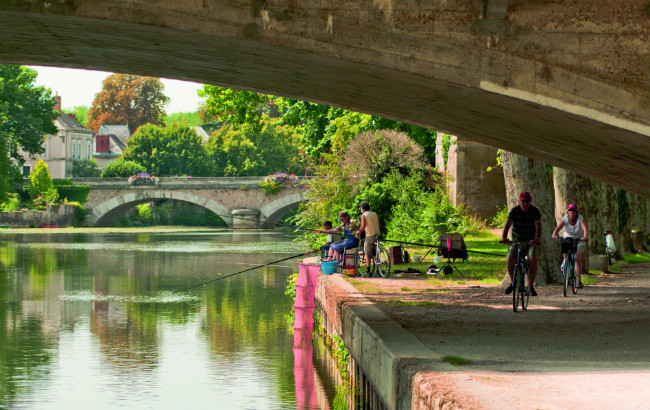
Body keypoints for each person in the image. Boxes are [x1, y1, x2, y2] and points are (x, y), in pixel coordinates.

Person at [501, 191, 542, 296]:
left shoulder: (535, 211)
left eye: (527, 201)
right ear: (519, 201)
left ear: (530, 202)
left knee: (532, 258)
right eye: (523, 201)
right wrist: (504, 237)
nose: (525, 204)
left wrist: (536, 238)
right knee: (510, 258)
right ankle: (512, 283)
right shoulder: (514, 211)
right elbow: (507, 225)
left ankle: (530, 286)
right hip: (516, 240)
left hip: (530, 241)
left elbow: (538, 226)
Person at [552, 203, 588, 288]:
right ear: (568, 212)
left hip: (578, 240)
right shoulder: (565, 219)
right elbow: (558, 228)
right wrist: (554, 234)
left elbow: (585, 228)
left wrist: (585, 236)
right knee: (564, 247)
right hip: (568, 238)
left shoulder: (580, 218)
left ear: (576, 212)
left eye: (573, 210)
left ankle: (578, 281)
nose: (571, 212)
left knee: (577, 258)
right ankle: (565, 261)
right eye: (570, 210)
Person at [356, 201, 380, 277]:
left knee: (367, 253)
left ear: (362, 208)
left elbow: (363, 226)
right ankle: (378, 270)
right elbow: (378, 224)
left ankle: (368, 271)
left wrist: (359, 232)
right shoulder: (374, 213)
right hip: (377, 234)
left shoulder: (363, 215)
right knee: (376, 252)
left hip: (370, 235)